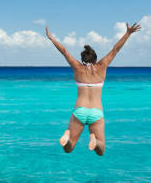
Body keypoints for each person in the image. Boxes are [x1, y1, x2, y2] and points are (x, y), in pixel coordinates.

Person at [45, 22, 141, 155]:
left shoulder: (78, 68)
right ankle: (95, 140)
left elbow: (64, 51)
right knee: (101, 151)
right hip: (96, 112)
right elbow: (115, 50)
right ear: (95, 58)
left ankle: (67, 136)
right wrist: (128, 33)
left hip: (80, 110)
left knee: (69, 148)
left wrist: (51, 38)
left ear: (82, 59)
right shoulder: (102, 66)